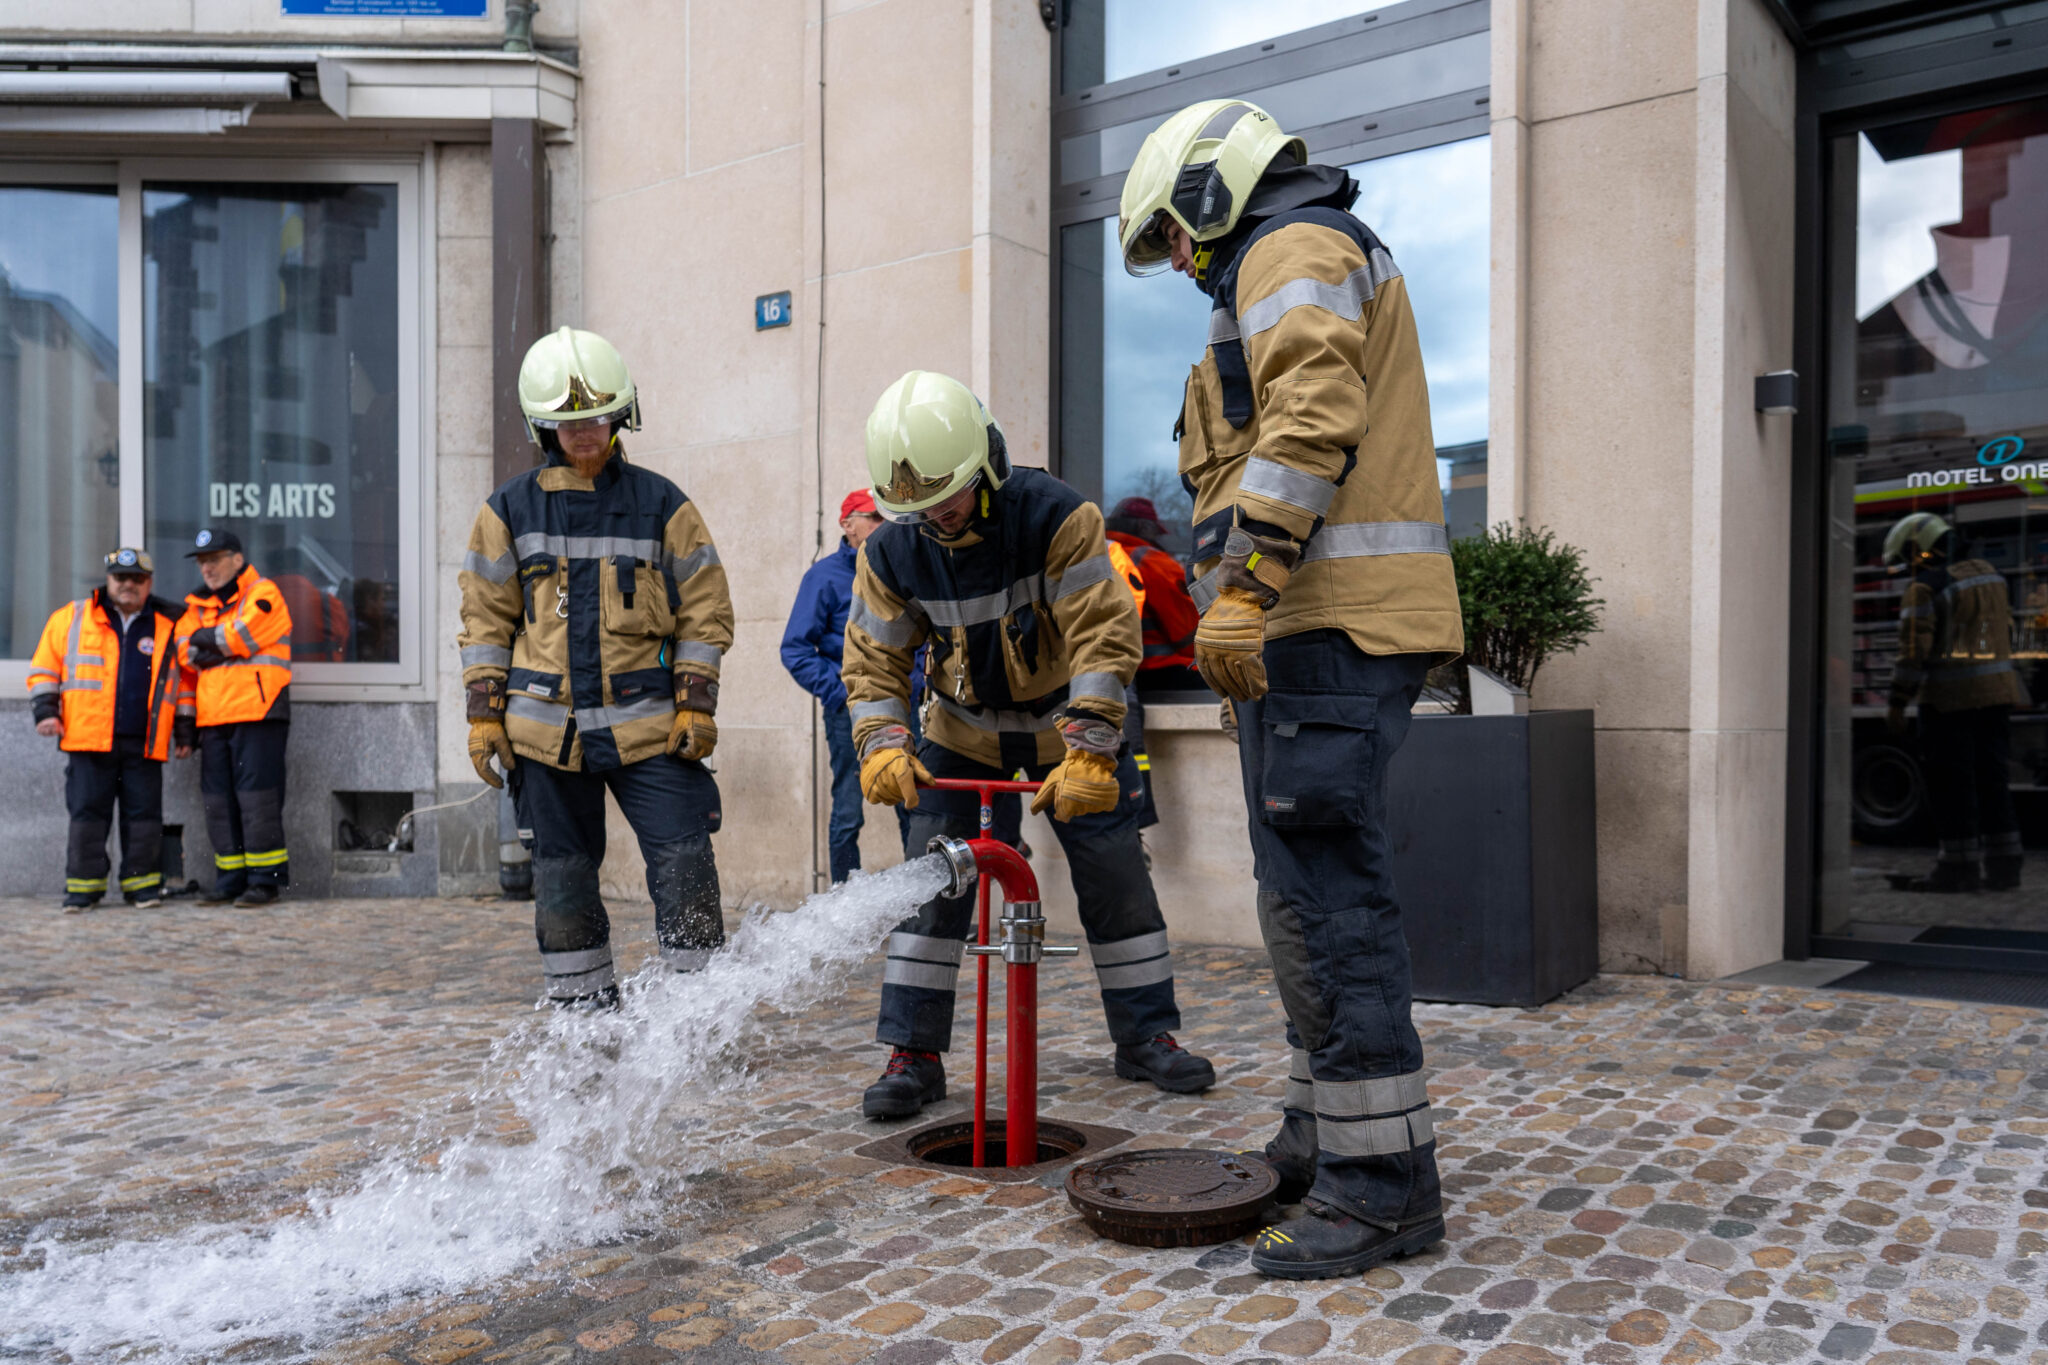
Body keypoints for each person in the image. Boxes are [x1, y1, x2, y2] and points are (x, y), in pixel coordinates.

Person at [1120, 98, 1464, 1277]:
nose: (1174, 259)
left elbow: (1312, 417)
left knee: (1325, 900)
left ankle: (1382, 1191)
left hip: (1320, 627)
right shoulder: (1290, 254)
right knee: (1297, 897)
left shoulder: (1290, 249)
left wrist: (1248, 585)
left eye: (1170, 232)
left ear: (1212, 192)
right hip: (1301, 634)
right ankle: (1330, 1134)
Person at [843, 369, 1215, 1120]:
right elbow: (872, 658)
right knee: (931, 883)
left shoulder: (1057, 515)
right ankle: (913, 1053)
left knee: (1114, 872)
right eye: (914, 507)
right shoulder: (890, 551)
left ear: (987, 462)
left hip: (1064, 727)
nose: (935, 517)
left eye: (945, 496)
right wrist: (882, 740)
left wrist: (1091, 747)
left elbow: (1104, 638)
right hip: (962, 732)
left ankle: (1146, 1035)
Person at [457, 326, 733, 1008]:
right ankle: (584, 1011)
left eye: (596, 419)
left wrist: (697, 704)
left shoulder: (664, 504)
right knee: (563, 876)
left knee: (684, 859)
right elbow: (485, 620)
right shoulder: (507, 511)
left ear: (621, 415)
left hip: (652, 728)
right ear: (543, 425)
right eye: (568, 422)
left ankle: (697, 1011)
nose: (584, 434)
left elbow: (705, 608)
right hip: (545, 735)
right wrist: (484, 717)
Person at [26, 548, 187, 912]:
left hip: (144, 741)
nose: (128, 585)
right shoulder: (71, 617)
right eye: (121, 577)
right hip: (87, 739)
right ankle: (83, 891)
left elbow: (183, 686)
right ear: (108, 580)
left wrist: (185, 732)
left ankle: (142, 889)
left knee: (144, 817)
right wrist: (45, 712)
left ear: (149, 584)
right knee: (87, 816)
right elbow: (43, 670)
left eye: (137, 579)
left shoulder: (168, 625)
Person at [1883, 511, 2028, 893]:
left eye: (1911, 556)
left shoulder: (1925, 589)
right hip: (1998, 698)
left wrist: (1898, 702)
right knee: (1993, 782)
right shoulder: (1990, 575)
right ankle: (2005, 867)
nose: (1912, 564)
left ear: (1923, 549)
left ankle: (1957, 868)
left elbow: (1913, 652)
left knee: (1952, 787)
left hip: (1949, 704)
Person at [782, 489, 907, 885]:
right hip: (848, 713)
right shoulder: (823, 577)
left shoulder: (901, 568)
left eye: (887, 518)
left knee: (916, 807)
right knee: (849, 811)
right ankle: (844, 902)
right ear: (848, 524)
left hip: (905, 707)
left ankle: (925, 910)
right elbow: (796, 649)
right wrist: (840, 693)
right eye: (874, 517)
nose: (883, 525)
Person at [174, 530, 295, 908]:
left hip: (259, 711)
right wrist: (217, 644)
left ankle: (265, 882)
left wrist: (209, 642)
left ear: (237, 559)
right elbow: (184, 653)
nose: (206, 567)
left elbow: (241, 636)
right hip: (212, 718)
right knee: (218, 803)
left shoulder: (264, 593)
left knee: (258, 801)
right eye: (201, 561)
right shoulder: (194, 607)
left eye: (214, 558)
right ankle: (230, 880)